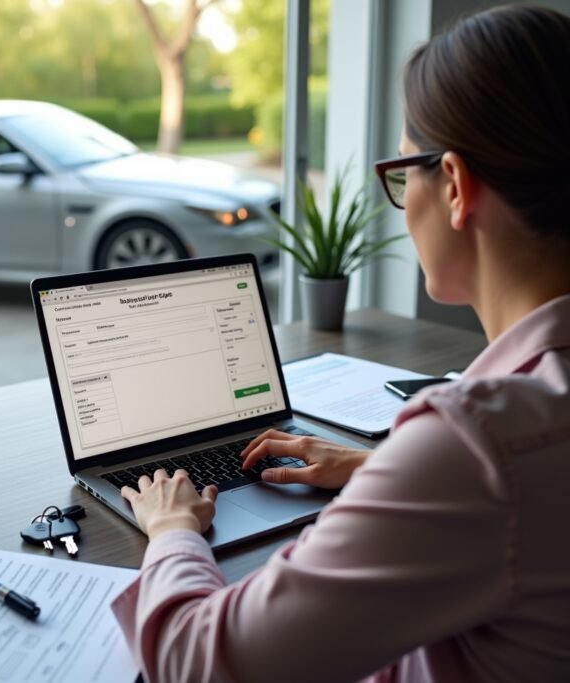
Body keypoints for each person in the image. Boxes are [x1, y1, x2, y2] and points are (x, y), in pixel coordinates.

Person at [111, 5, 570, 682]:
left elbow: (198, 659)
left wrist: (173, 527)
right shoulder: (514, 433)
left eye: (401, 170)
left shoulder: (477, 445)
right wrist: (381, 470)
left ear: (452, 185)